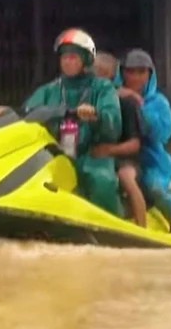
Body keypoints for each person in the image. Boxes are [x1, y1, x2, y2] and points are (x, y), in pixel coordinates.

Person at [19, 29, 123, 217]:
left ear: (86, 59)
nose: (68, 61)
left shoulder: (102, 87)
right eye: (64, 57)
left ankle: (112, 224)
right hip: (54, 153)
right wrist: (6, 113)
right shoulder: (50, 89)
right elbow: (27, 114)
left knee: (101, 181)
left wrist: (96, 116)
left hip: (91, 155)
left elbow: (113, 123)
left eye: (74, 57)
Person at [119, 48, 171, 233]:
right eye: (130, 72)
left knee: (155, 188)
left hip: (150, 159)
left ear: (150, 74)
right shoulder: (111, 95)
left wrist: (139, 107)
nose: (135, 77)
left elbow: (163, 133)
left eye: (141, 72)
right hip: (118, 153)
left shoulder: (158, 102)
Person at [92, 52, 148, 227]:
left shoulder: (127, 103)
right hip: (93, 155)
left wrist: (108, 150)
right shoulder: (84, 99)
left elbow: (135, 144)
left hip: (124, 159)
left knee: (126, 177)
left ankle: (142, 228)